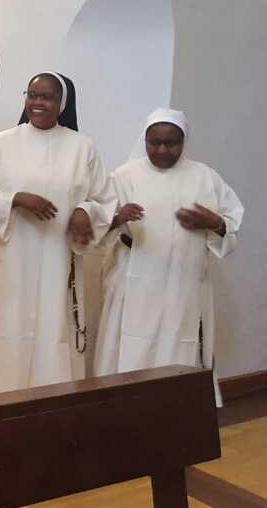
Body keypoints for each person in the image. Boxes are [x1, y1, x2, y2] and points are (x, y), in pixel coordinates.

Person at [0, 72, 116, 399]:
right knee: (5, 333)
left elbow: (104, 199)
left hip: (57, 262)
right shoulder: (3, 143)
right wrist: (15, 199)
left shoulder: (81, 147)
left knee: (52, 333)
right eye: (32, 95)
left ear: (62, 104)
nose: (38, 103)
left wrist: (85, 211)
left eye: (47, 97)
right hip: (9, 263)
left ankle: (50, 413)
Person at [93, 108, 243, 405]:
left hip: (183, 284)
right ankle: (119, 411)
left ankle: (174, 412)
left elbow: (231, 226)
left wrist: (213, 223)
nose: (161, 149)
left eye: (170, 143)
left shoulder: (205, 177)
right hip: (133, 280)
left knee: (178, 345)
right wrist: (115, 217)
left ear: (183, 141)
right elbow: (97, 223)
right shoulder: (124, 176)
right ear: (145, 140)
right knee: (127, 350)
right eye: (154, 142)